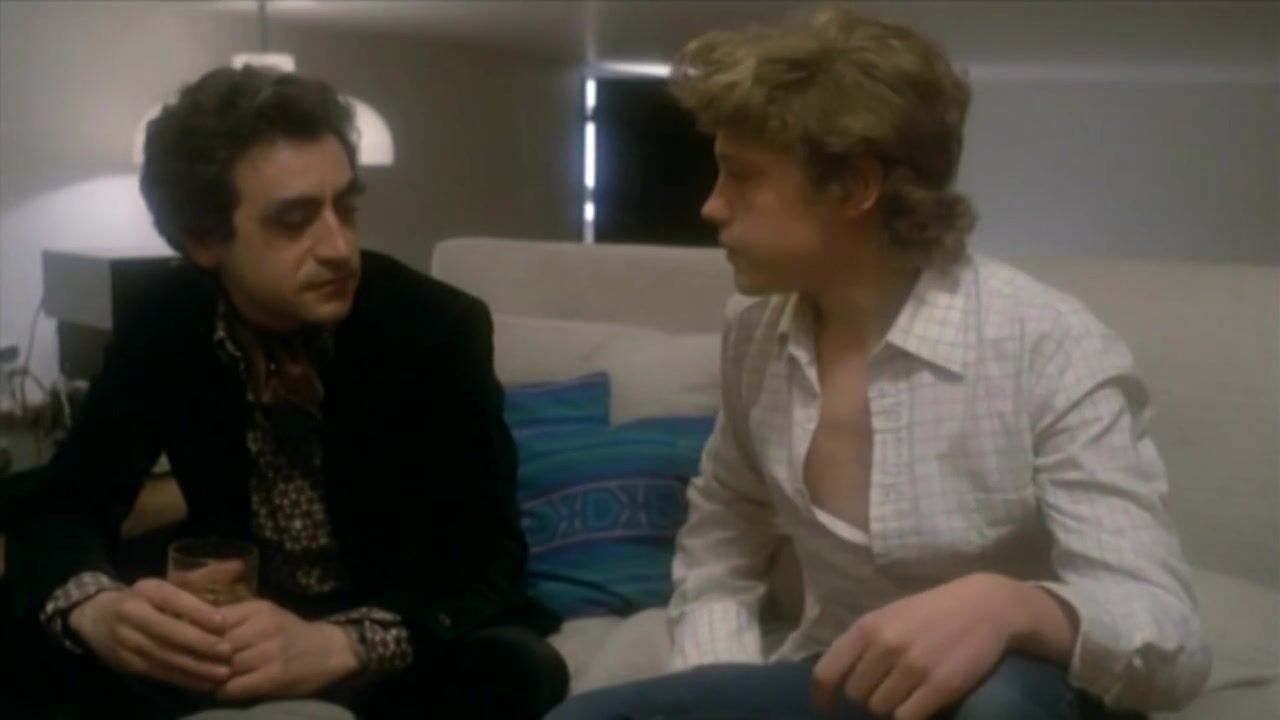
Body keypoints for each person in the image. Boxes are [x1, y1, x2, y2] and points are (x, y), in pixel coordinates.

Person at [548, 7, 1209, 720]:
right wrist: (720, 686)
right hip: (842, 679)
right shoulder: (755, 331)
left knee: (1002, 704)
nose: (712, 206)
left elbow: (1167, 633)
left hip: (1020, 692)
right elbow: (722, 541)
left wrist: (1013, 607)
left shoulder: (1048, 345)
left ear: (856, 186)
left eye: (741, 176)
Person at [3, 65, 567, 720]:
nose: (340, 247)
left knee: (518, 667)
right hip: (230, 630)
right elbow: (66, 505)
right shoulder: (165, 318)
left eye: (346, 208)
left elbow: (490, 557)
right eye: (296, 221)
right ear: (203, 240)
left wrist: (344, 642)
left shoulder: (435, 326)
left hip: (392, 633)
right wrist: (99, 610)